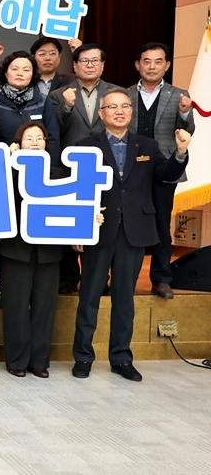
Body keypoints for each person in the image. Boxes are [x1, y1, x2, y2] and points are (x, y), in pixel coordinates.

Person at [72, 89, 189, 382]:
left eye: (124, 106)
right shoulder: (87, 146)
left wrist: (180, 153)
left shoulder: (147, 145)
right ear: (102, 114)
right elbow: (77, 189)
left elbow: (166, 175)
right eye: (112, 107)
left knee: (124, 298)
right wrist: (79, 227)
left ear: (131, 111)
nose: (120, 111)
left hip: (134, 231)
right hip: (99, 229)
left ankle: (121, 358)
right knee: (89, 296)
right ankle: (83, 357)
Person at [48, 43, 120, 295]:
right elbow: (52, 131)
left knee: (103, 221)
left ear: (102, 65)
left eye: (94, 61)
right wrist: (66, 107)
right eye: (84, 61)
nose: (89, 65)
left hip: (106, 168)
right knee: (70, 221)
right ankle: (69, 278)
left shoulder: (117, 94)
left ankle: (99, 278)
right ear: (75, 66)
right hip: (71, 168)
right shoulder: (59, 94)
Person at [126, 42, 195, 299]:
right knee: (129, 223)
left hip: (164, 166)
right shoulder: (124, 94)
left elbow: (187, 130)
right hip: (131, 167)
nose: (152, 66)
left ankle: (162, 279)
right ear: (138, 65)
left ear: (166, 65)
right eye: (146, 61)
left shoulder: (179, 95)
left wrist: (185, 114)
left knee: (161, 223)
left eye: (158, 61)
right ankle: (126, 278)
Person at [0, 122, 63, 378]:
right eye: (28, 138)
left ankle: (39, 361)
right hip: (15, 250)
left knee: (45, 308)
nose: (35, 143)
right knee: (15, 307)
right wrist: (9, 161)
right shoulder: (6, 172)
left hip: (49, 252)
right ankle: (17, 360)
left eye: (39, 138)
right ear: (18, 144)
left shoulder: (59, 174)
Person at [0, 51, 61, 161]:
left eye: (26, 70)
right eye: (15, 69)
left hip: (37, 163)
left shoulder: (43, 101)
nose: (20, 73)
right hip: (3, 164)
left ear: (33, 74)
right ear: (5, 73)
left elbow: (53, 138)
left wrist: (50, 166)